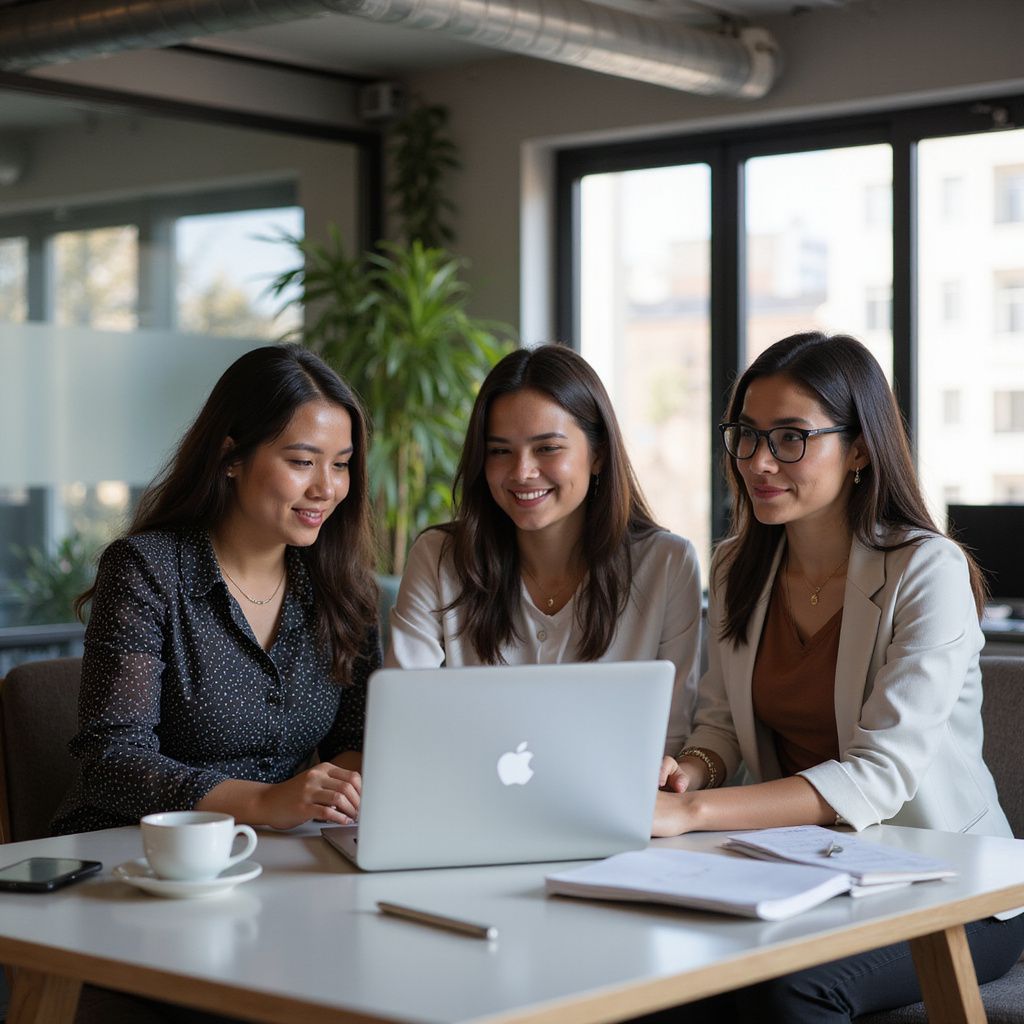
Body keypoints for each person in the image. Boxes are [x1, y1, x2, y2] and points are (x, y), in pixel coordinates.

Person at [652, 331, 1024, 1022]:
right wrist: (694, 770)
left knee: (791, 992)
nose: (760, 462)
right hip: (804, 867)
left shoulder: (926, 570)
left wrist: (692, 814)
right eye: (746, 435)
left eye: (791, 437)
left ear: (858, 448)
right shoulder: (739, 566)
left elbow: (879, 775)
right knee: (659, 971)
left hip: (950, 882)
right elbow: (722, 724)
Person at [54, 344, 380, 836]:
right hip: (136, 851)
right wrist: (267, 802)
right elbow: (112, 760)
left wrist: (338, 793)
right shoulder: (148, 570)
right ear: (231, 457)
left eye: (341, 464)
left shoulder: (341, 584)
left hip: (274, 851)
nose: (327, 488)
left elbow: (355, 738)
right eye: (301, 461)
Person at [386, 343, 701, 754]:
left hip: (611, 812)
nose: (521, 472)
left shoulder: (668, 564)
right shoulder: (439, 556)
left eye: (547, 448)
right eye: (500, 451)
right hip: (470, 807)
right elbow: (403, 721)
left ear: (599, 454)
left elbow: (670, 740)